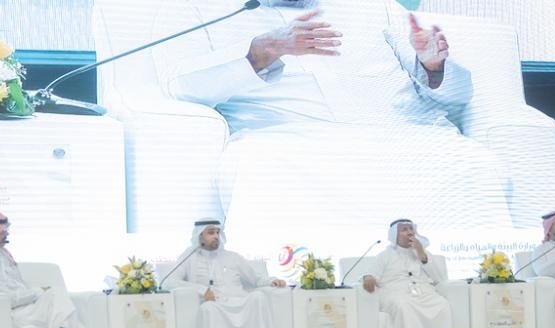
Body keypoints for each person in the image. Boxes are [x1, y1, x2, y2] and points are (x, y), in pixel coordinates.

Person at [150, 0, 514, 260]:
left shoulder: (375, 6)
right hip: (282, 134)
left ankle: (484, 274)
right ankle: (294, 285)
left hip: (404, 130)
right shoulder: (198, 8)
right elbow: (180, 85)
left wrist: (433, 66)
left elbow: (456, 97)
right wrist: (261, 52)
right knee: (263, 164)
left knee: (472, 159)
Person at [163, 219, 287, 328]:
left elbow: (256, 278)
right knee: (208, 309)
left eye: (217, 232)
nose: (216, 236)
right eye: (211, 233)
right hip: (218, 304)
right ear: (200, 236)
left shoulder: (233, 257)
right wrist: (202, 290)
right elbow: (169, 282)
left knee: (258, 297)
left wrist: (272, 281)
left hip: (240, 299)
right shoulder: (189, 258)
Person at [362, 219, 451, 328]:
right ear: (395, 235)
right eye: (404, 229)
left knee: (442, 304)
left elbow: (439, 277)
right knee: (404, 306)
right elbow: (371, 273)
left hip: (424, 293)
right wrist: (369, 278)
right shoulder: (385, 255)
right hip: (396, 293)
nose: (409, 232)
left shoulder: (422, 252)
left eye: (411, 229)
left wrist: (421, 253)